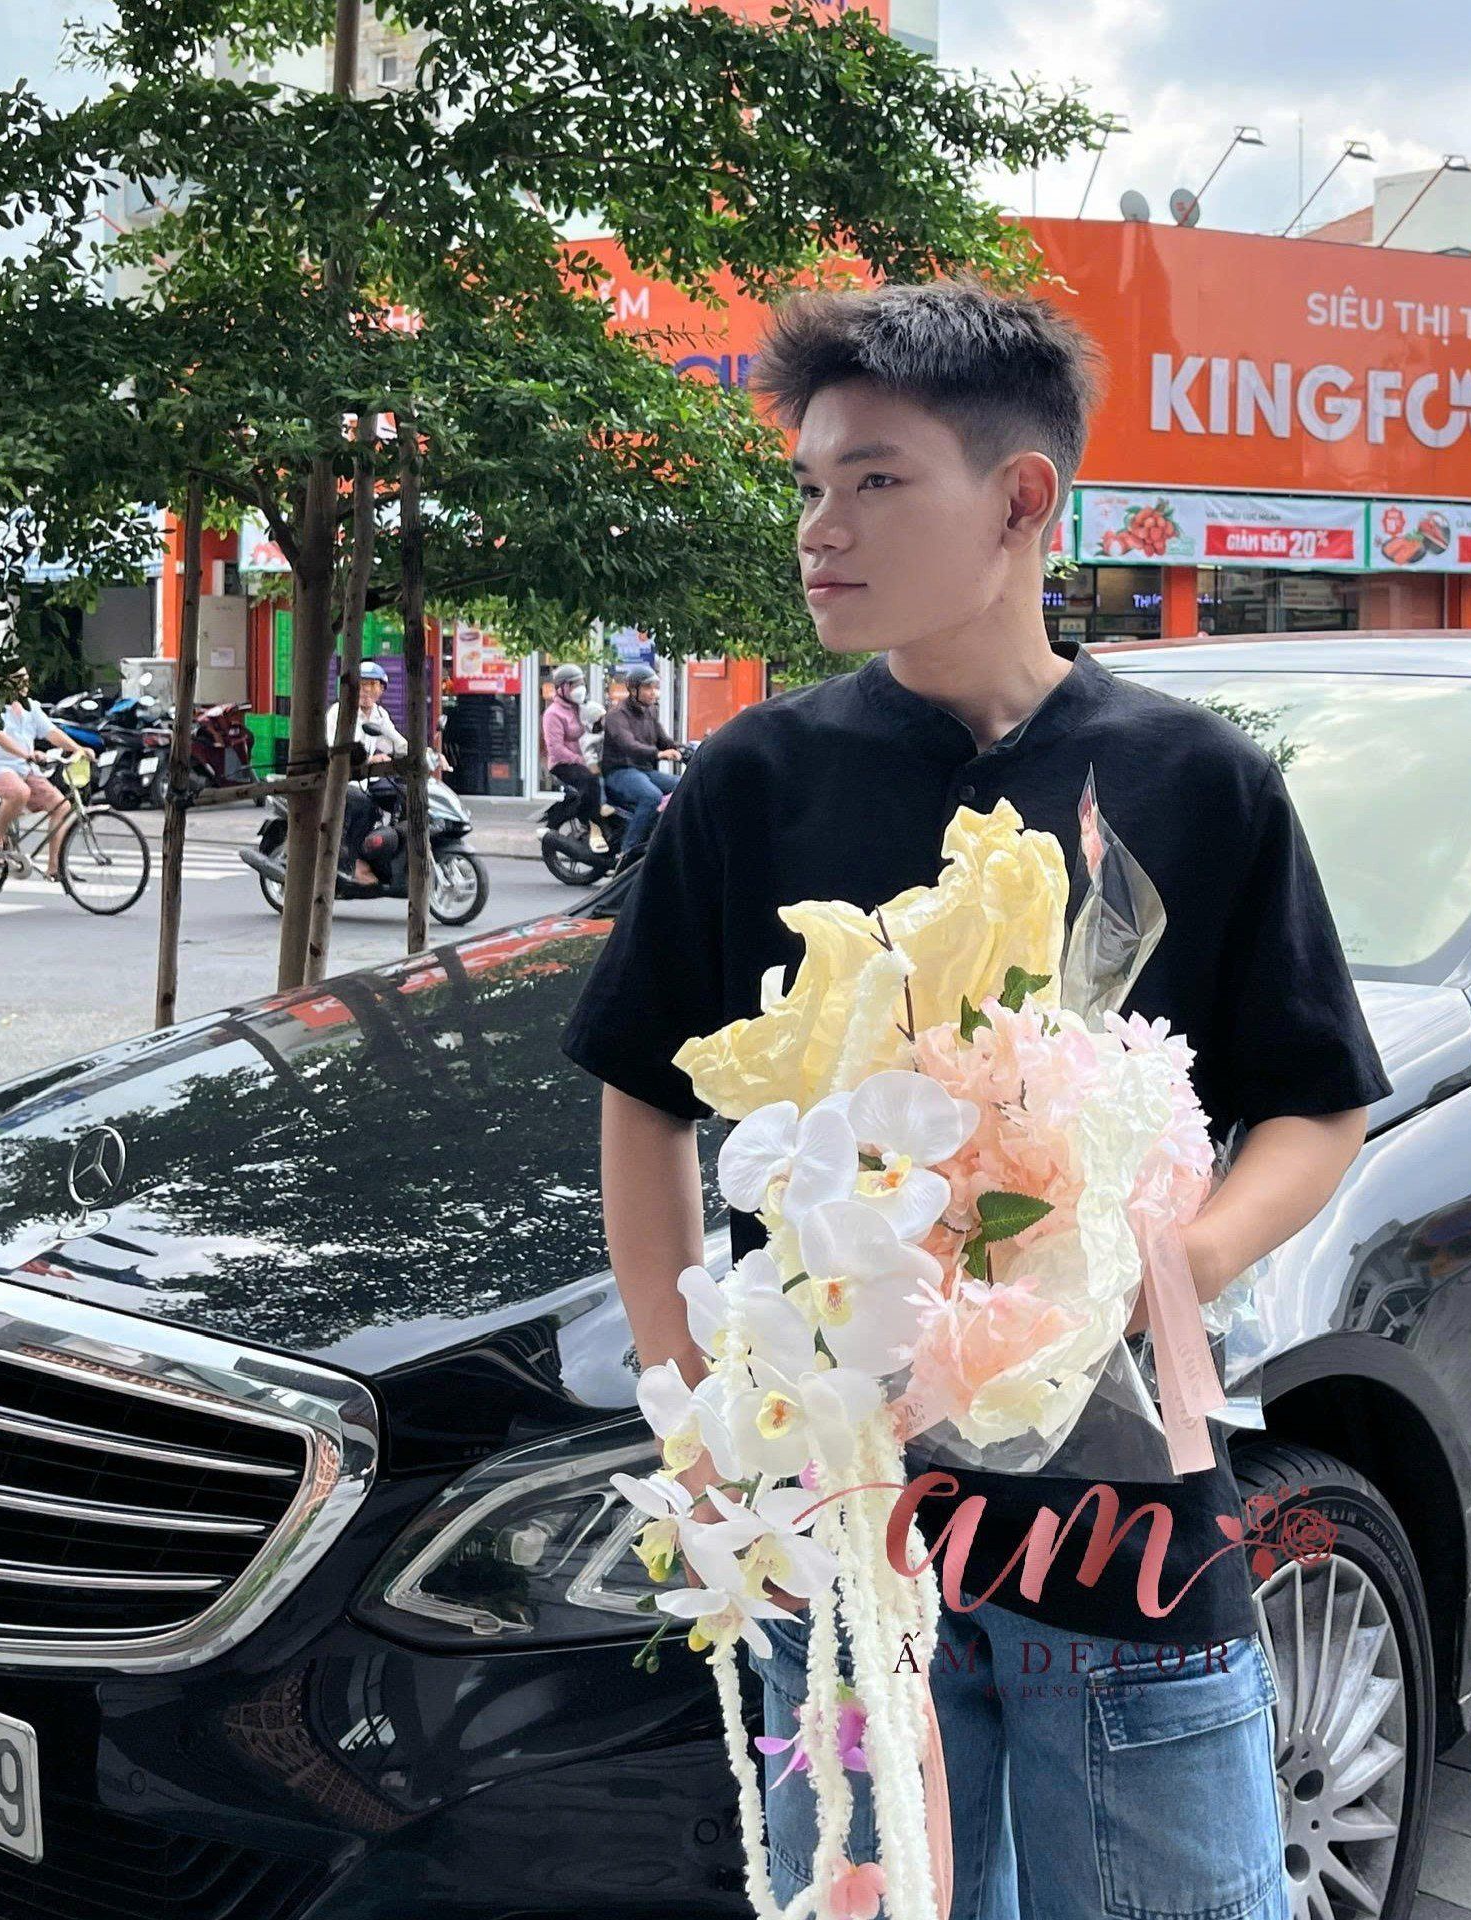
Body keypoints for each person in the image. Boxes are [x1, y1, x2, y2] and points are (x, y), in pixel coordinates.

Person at [561, 279, 1391, 1920]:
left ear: (1021, 501)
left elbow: (1316, 1108)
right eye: (811, 484)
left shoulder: (1197, 781)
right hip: (846, 1522)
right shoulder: (751, 783)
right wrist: (694, 1410)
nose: (821, 528)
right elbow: (645, 1099)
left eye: (875, 480)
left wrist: (1166, 1268)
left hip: (1121, 1523)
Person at [0, 660, 91, 880]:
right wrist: (26, 754)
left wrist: (78, 749)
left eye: (26, 679)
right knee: (20, 792)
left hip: (24, 768)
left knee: (61, 806)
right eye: (18, 679)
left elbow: (51, 732)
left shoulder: (31, 707)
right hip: (0, 766)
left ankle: (54, 867)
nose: (24, 684)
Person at [325, 661, 406, 886]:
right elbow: (336, 750)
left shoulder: (379, 715)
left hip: (365, 780)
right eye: (361, 685)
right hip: (338, 780)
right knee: (365, 807)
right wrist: (370, 760)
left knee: (402, 794)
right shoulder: (339, 712)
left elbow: (397, 743)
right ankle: (355, 864)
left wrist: (427, 755)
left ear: (382, 689)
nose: (366, 690)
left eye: (372, 685)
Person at [598, 662, 684, 862]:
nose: (654, 692)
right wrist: (659, 754)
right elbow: (628, 745)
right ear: (633, 689)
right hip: (620, 771)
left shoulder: (650, 711)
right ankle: (627, 852)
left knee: (683, 785)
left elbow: (663, 739)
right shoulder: (616, 715)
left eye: (655, 687)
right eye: (648, 687)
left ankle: (659, 837)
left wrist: (683, 748)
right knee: (651, 796)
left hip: (644, 771)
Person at [542, 663, 603, 834]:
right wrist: (581, 760)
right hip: (563, 764)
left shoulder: (581, 708)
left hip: (584, 758)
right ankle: (587, 822)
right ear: (561, 688)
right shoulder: (553, 714)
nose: (580, 688)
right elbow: (556, 749)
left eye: (582, 683)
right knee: (591, 781)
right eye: (574, 684)